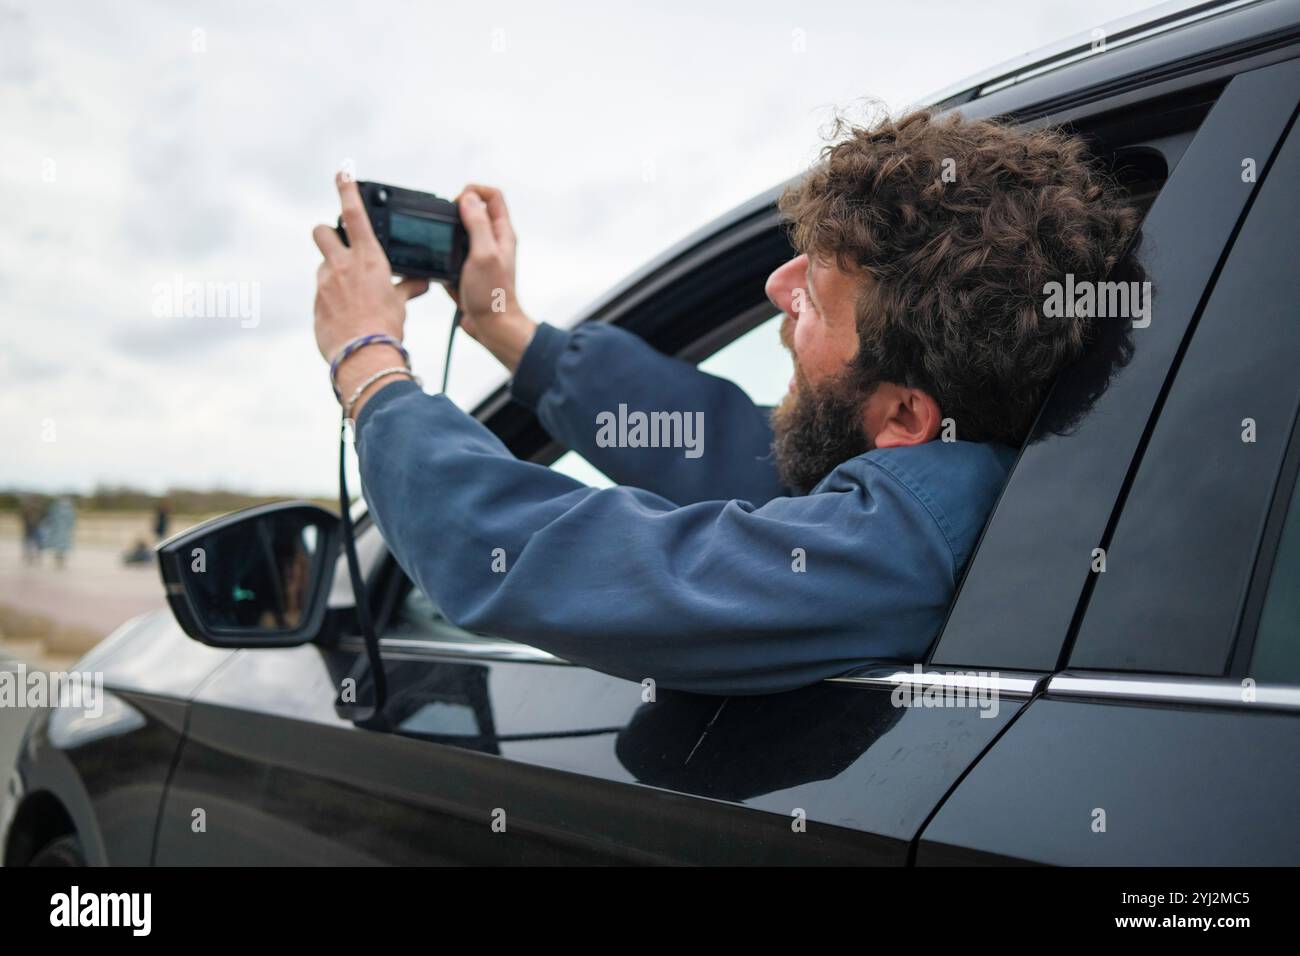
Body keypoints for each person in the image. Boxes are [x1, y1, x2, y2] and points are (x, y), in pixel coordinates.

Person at [310, 108, 1138, 695]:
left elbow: (568, 562)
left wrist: (370, 368)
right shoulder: (959, 470)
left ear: (904, 419)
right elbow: (736, 450)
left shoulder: (905, 544)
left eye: (813, 291)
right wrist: (508, 326)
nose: (776, 286)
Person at [42, 496, 76, 570]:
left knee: (62, 546)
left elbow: (71, 520)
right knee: (58, 545)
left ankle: (61, 558)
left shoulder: (68, 509)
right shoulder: (56, 508)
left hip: (63, 531)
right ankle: (58, 558)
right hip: (58, 530)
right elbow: (51, 517)